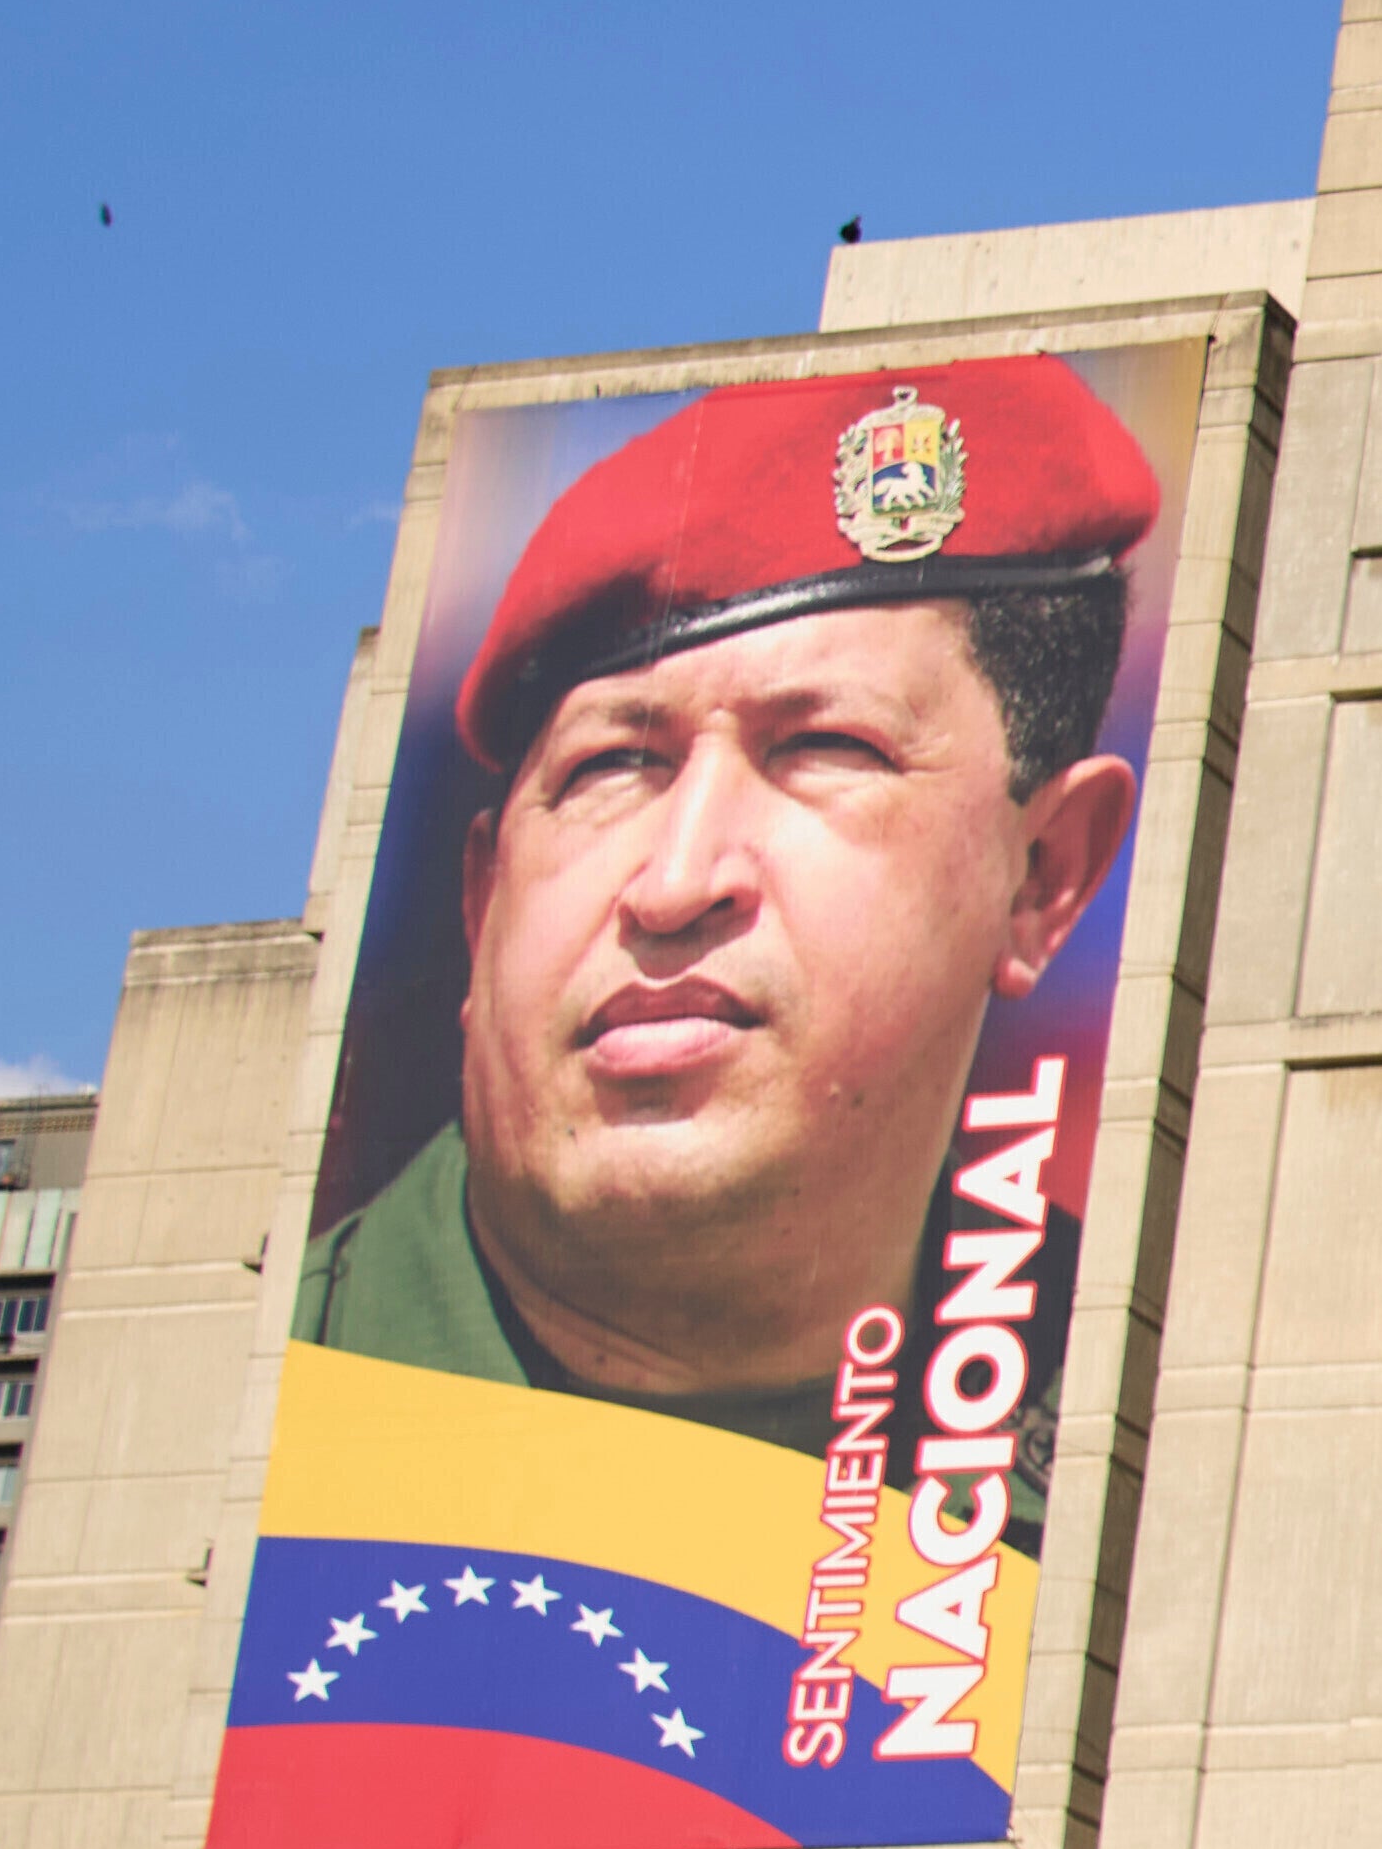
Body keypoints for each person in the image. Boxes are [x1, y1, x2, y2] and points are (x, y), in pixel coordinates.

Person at [289, 359, 1158, 1446]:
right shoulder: (247, 1420)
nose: (673, 884)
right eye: (609, 767)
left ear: (1041, 880)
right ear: (481, 903)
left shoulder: (1159, 1435)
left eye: (824, 747)